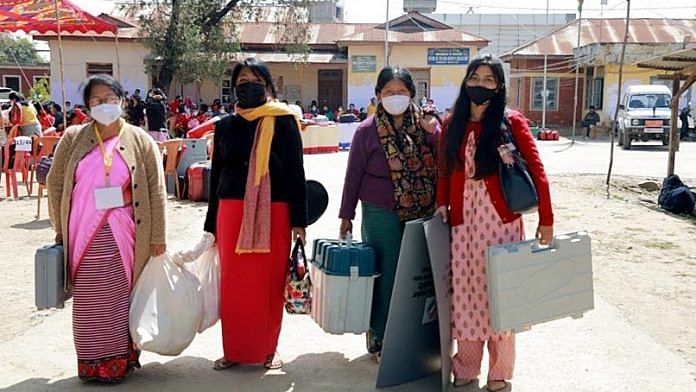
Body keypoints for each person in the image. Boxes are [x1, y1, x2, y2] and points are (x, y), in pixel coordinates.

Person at [433, 54, 553, 391]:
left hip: (501, 223)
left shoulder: (511, 122)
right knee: (467, 297)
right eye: (475, 78)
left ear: (499, 87)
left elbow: (537, 171)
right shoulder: (452, 122)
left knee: (502, 297)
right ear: (466, 80)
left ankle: (499, 373)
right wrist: (443, 202)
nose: (481, 85)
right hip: (463, 226)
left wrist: (547, 219)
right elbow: (444, 169)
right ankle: (466, 367)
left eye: (489, 80)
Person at [46, 74, 167, 383]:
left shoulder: (140, 139)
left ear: (122, 101)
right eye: (97, 101)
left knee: (119, 299)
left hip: (126, 232)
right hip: (82, 233)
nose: (105, 105)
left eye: (111, 99)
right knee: (89, 303)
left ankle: (119, 362)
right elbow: (57, 183)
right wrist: (59, 229)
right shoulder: (73, 138)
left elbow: (156, 190)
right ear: (87, 106)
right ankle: (90, 364)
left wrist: (158, 237)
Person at [204, 58, 307, 371]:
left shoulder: (285, 121)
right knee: (233, 284)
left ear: (267, 85)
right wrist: (211, 225)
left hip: (274, 211)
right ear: (234, 86)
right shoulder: (224, 126)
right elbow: (216, 175)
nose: (248, 84)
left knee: (268, 284)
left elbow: (296, 173)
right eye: (242, 79)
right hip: (231, 211)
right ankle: (234, 350)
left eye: (255, 79)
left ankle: (267, 350)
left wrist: (299, 221)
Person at [339, 66, 440, 360]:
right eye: (388, 92)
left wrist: (432, 130)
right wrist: (346, 215)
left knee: (416, 276)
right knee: (386, 275)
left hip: (422, 211)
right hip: (379, 212)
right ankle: (381, 338)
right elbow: (353, 176)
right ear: (378, 96)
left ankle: (412, 337)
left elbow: (444, 156)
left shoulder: (426, 126)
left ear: (412, 95)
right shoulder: (366, 131)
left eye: (401, 92)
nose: (395, 97)